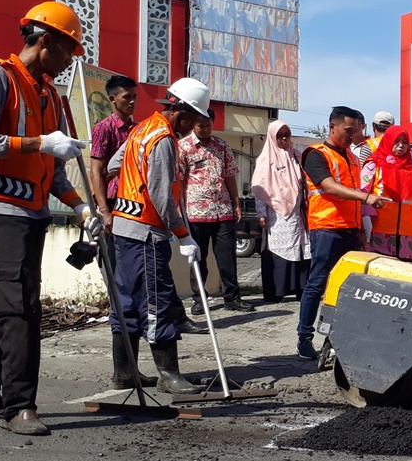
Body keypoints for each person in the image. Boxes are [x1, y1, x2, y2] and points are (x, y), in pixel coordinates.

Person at [0, 2, 100, 435]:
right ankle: (20, 407)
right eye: (70, 50)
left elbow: (52, 171)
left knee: (2, 307)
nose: (73, 60)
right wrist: (38, 142)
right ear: (45, 41)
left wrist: (80, 206)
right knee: (18, 309)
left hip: (31, 215)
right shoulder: (0, 77)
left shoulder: (49, 93)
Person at [108, 78, 213, 396]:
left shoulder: (142, 129)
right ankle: (169, 375)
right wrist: (183, 236)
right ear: (181, 112)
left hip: (123, 228)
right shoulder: (164, 138)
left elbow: (114, 165)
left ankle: (124, 372)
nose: (192, 126)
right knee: (158, 302)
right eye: (194, 119)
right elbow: (161, 195)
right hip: (145, 235)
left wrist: (132, 180)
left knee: (126, 304)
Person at [297, 106, 385, 360]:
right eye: (349, 130)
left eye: (356, 131)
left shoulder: (352, 157)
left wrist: (359, 229)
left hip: (349, 230)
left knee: (349, 287)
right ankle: (304, 338)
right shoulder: (315, 154)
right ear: (332, 127)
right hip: (326, 229)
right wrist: (366, 197)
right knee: (317, 283)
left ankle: (337, 338)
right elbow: (330, 187)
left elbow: (352, 197)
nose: (352, 135)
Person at [178, 108, 254, 313]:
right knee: (198, 259)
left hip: (223, 210)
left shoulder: (221, 145)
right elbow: (179, 180)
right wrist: (178, 209)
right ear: (193, 124)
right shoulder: (183, 147)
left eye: (208, 125)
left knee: (227, 258)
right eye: (200, 125)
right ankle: (199, 299)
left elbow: (230, 175)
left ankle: (232, 298)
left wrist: (236, 203)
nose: (204, 129)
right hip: (196, 212)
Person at [251, 120, 310, 302]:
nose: (284, 138)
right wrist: (261, 213)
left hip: (298, 212)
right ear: (272, 137)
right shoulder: (266, 159)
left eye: (287, 134)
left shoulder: (296, 156)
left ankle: (300, 288)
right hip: (276, 213)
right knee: (279, 249)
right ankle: (277, 291)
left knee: (301, 249)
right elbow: (259, 187)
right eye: (279, 135)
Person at [364, 125, 412, 260]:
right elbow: (362, 193)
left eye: (404, 142)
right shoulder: (374, 164)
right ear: (388, 141)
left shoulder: (411, 168)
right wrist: (365, 219)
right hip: (379, 232)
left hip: (407, 236)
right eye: (396, 141)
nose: (400, 146)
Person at [90, 74, 138, 232]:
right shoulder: (104, 128)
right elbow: (96, 170)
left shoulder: (139, 129)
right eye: (126, 97)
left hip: (135, 198)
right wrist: (105, 211)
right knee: (113, 254)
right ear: (112, 99)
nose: (132, 102)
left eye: (134, 97)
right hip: (113, 199)